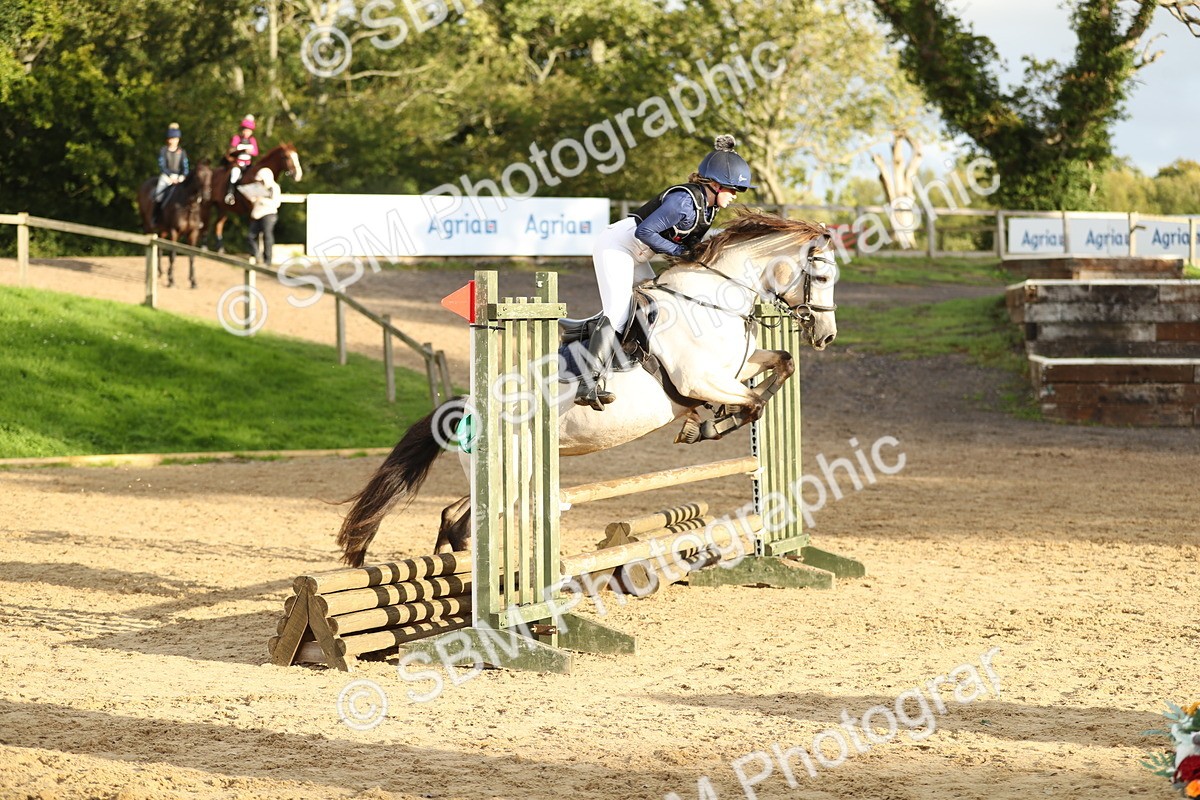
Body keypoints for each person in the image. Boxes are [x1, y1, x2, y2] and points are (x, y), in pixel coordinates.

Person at [576, 134, 754, 410]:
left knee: (653, 305)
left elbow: (689, 245)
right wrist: (680, 253)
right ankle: (586, 383)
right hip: (617, 246)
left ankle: (627, 358)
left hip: (638, 252)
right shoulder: (685, 201)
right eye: (732, 190)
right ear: (715, 185)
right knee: (619, 312)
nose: (734, 197)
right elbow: (644, 231)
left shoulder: (707, 211)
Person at [153, 123, 190, 226]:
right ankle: (155, 217)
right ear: (168, 139)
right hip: (166, 177)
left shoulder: (182, 152)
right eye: (171, 138)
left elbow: (185, 167)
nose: (173, 141)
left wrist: (182, 177)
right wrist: (170, 177)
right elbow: (162, 166)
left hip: (179, 178)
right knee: (158, 195)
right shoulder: (163, 151)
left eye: (175, 138)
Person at [246, 167, 282, 266]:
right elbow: (254, 200)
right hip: (257, 214)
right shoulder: (258, 188)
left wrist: (261, 200)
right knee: (250, 236)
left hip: (269, 214)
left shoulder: (274, 188)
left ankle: (268, 260)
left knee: (267, 236)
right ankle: (257, 255)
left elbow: (276, 203)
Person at [225, 114, 259, 204]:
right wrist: (240, 150)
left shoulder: (252, 140)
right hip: (238, 164)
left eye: (248, 131)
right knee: (234, 174)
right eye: (245, 130)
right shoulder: (236, 138)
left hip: (248, 164)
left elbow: (256, 152)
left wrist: (250, 151)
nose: (246, 132)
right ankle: (230, 194)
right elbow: (231, 151)